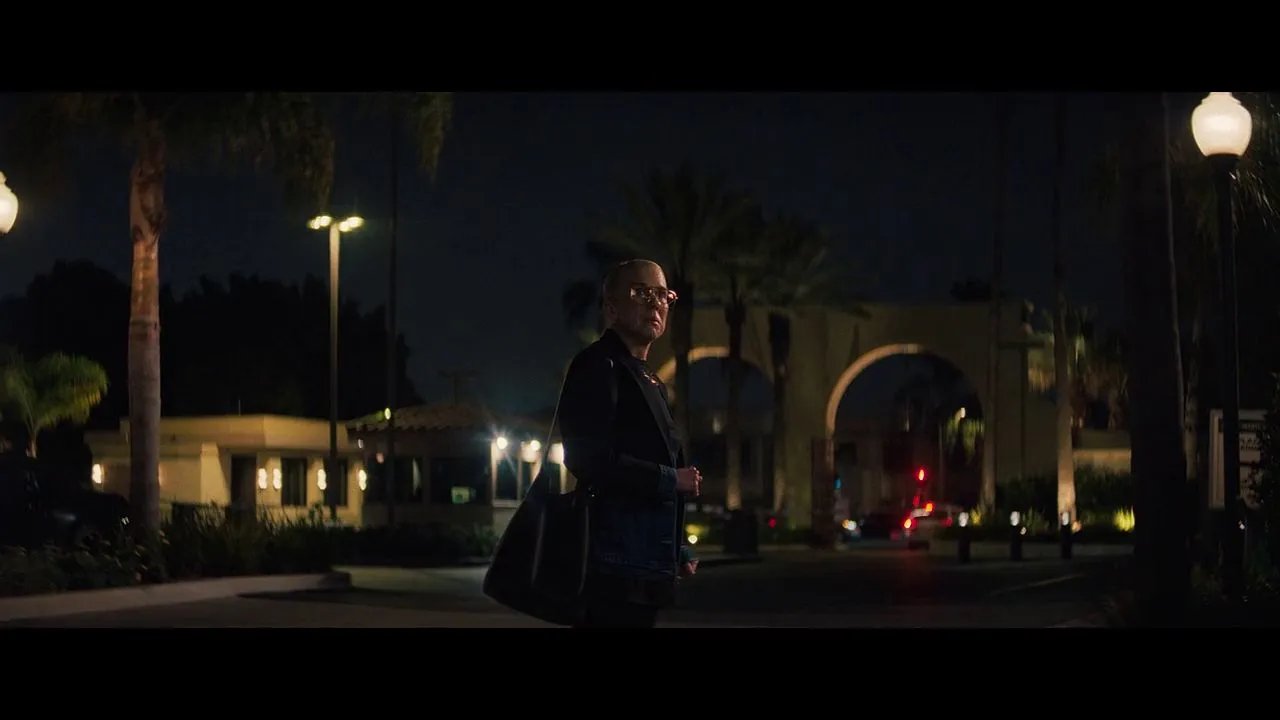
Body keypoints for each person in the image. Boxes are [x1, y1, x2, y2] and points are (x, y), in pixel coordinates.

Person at [557, 258, 701, 628]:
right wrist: (671, 479)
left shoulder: (649, 378)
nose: (655, 303)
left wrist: (676, 547)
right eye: (641, 293)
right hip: (611, 565)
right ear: (611, 308)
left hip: (642, 564)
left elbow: (651, 457)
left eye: (663, 295)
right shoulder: (597, 365)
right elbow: (586, 457)